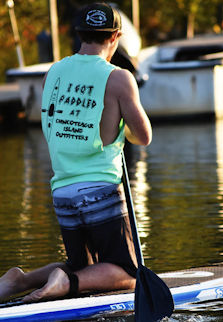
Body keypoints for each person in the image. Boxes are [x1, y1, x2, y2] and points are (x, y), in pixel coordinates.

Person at [0, 2, 152, 302]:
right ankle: (66, 282)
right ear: (116, 36)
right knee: (128, 273)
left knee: (86, 266)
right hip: (100, 189)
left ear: (78, 34)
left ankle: (19, 281)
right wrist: (122, 129)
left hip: (62, 191)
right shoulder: (119, 78)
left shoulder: (52, 73)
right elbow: (144, 136)